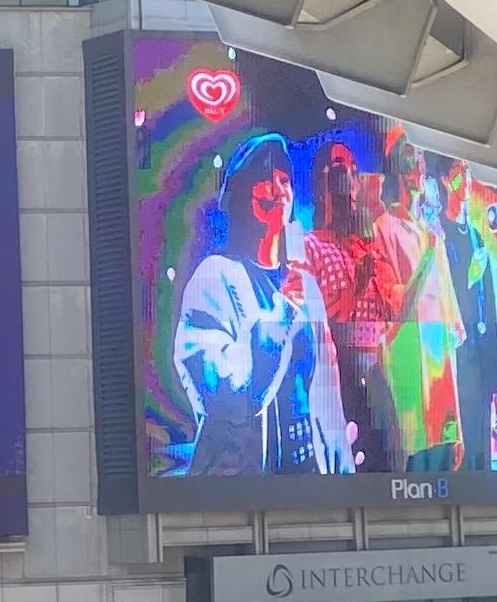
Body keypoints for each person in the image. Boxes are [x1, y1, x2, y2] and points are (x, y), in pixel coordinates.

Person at [170, 134, 352, 477]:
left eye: (284, 180)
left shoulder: (305, 286)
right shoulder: (214, 276)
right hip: (243, 488)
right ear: (240, 194)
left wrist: (342, 472)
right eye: (265, 179)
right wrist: (282, 313)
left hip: (310, 482)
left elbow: (327, 395)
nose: (278, 189)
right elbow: (226, 395)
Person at [297, 137, 400, 471]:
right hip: (337, 381)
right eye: (339, 170)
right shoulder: (310, 247)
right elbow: (316, 321)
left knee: (390, 465)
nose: (349, 181)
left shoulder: (367, 247)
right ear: (321, 184)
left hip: (376, 373)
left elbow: (392, 313)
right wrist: (356, 285)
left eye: (354, 172)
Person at [373, 130, 467, 474]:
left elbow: (450, 338)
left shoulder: (432, 237)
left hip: (442, 410)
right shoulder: (382, 228)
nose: (421, 164)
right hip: (409, 406)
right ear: (396, 163)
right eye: (412, 153)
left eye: (422, 155)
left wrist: (459, 429)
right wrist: (427, 258)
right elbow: (393, 308)